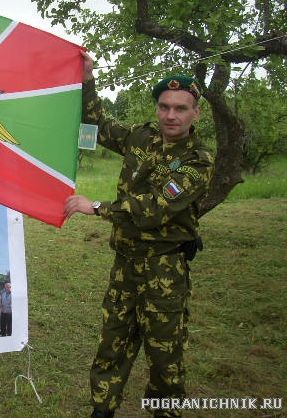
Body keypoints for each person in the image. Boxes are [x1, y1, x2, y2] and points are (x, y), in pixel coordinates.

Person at [64, 52, 214, 418]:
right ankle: (103, 410)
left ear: (196, 113)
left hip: (165, 269)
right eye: (164, 106)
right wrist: (87, 78)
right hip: (125, 265)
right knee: (112, 344)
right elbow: (95, 124)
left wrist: (95, 206)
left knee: (164, 356)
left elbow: (153, 211)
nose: (171, 115)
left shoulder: (198, 160)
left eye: (181, 108)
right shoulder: (140, 136)